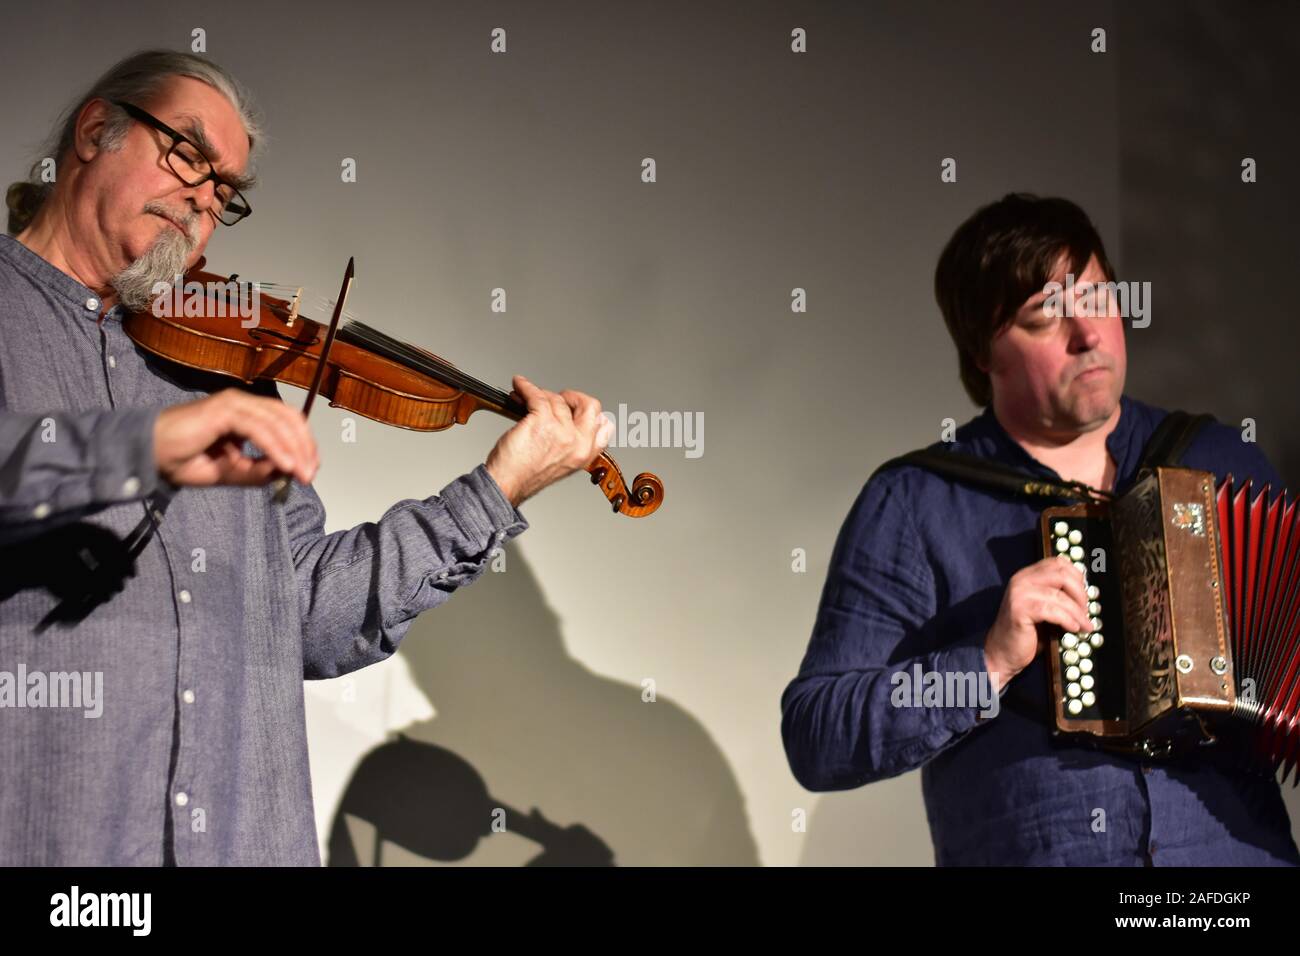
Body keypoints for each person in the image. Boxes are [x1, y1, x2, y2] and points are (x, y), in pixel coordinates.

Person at [0, 49, 612, 865]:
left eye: (225, 192)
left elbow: (305, 620)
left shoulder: (226, 370)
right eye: (188, 153)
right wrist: (144, 447)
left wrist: (499, 487)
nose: (201, 200)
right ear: (93, 132)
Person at [781, 192, 1299, 866]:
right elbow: (817, 732)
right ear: (983, 351)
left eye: (1097, 299)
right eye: (1045, 318)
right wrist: (987, 663)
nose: (1087, 335)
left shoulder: (1219, 460)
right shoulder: (916, 501)